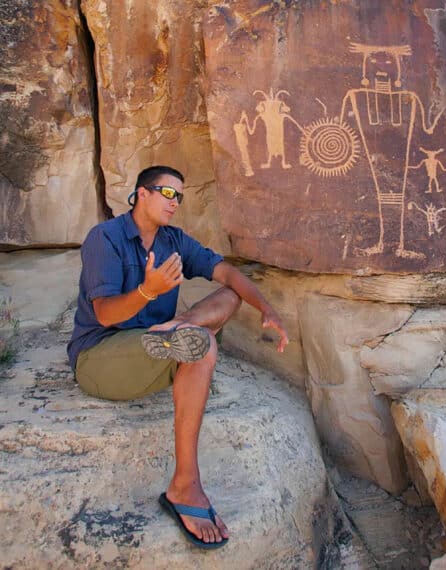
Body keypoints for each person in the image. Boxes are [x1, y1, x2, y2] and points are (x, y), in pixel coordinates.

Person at [67, 165, 289, 549]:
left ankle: (178, 328)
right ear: (140, 194)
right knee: (203, 347)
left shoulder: (174, 241)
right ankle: (185, 486)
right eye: (166, 193)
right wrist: (148, 292)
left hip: (156, 340)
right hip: (102, 353)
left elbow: (228, 276)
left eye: (179, 196)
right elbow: (104, 313)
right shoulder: (105, 238)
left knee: (228, 299)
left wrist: (267, 308)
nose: (174, 202)